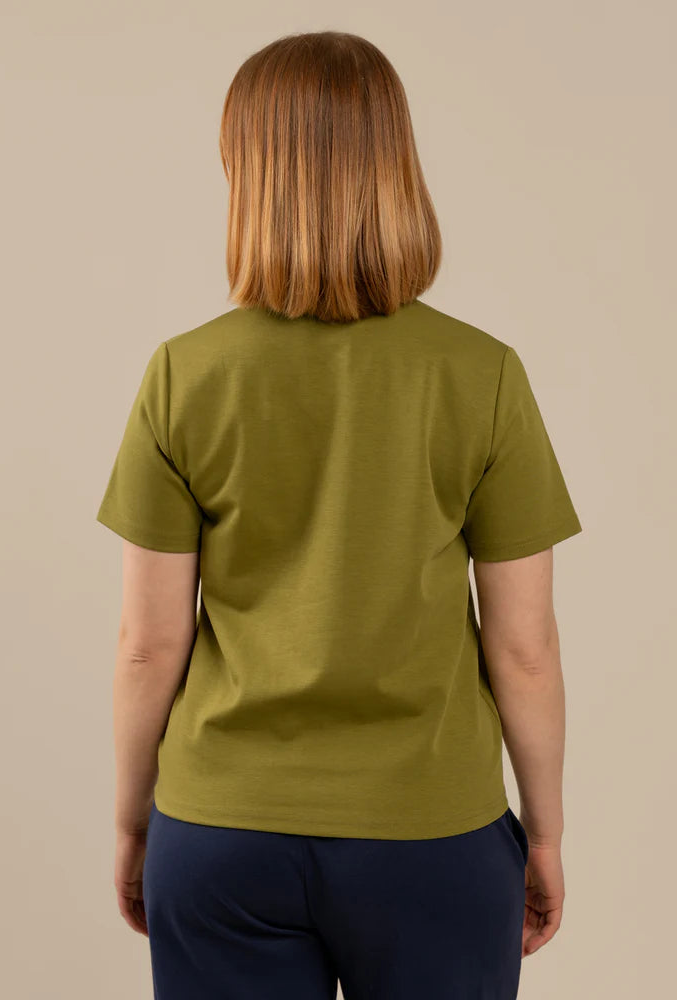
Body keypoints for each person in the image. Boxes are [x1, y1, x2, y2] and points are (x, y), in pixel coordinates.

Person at [96, 29, 583, 1000]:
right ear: (395, 173)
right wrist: (545, 832)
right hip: (433, 838)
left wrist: (132, 821)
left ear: (248, 178)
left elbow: (148, 646)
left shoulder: (184, 375)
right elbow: (522, 650)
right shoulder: (481, 375)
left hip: (222, 831)